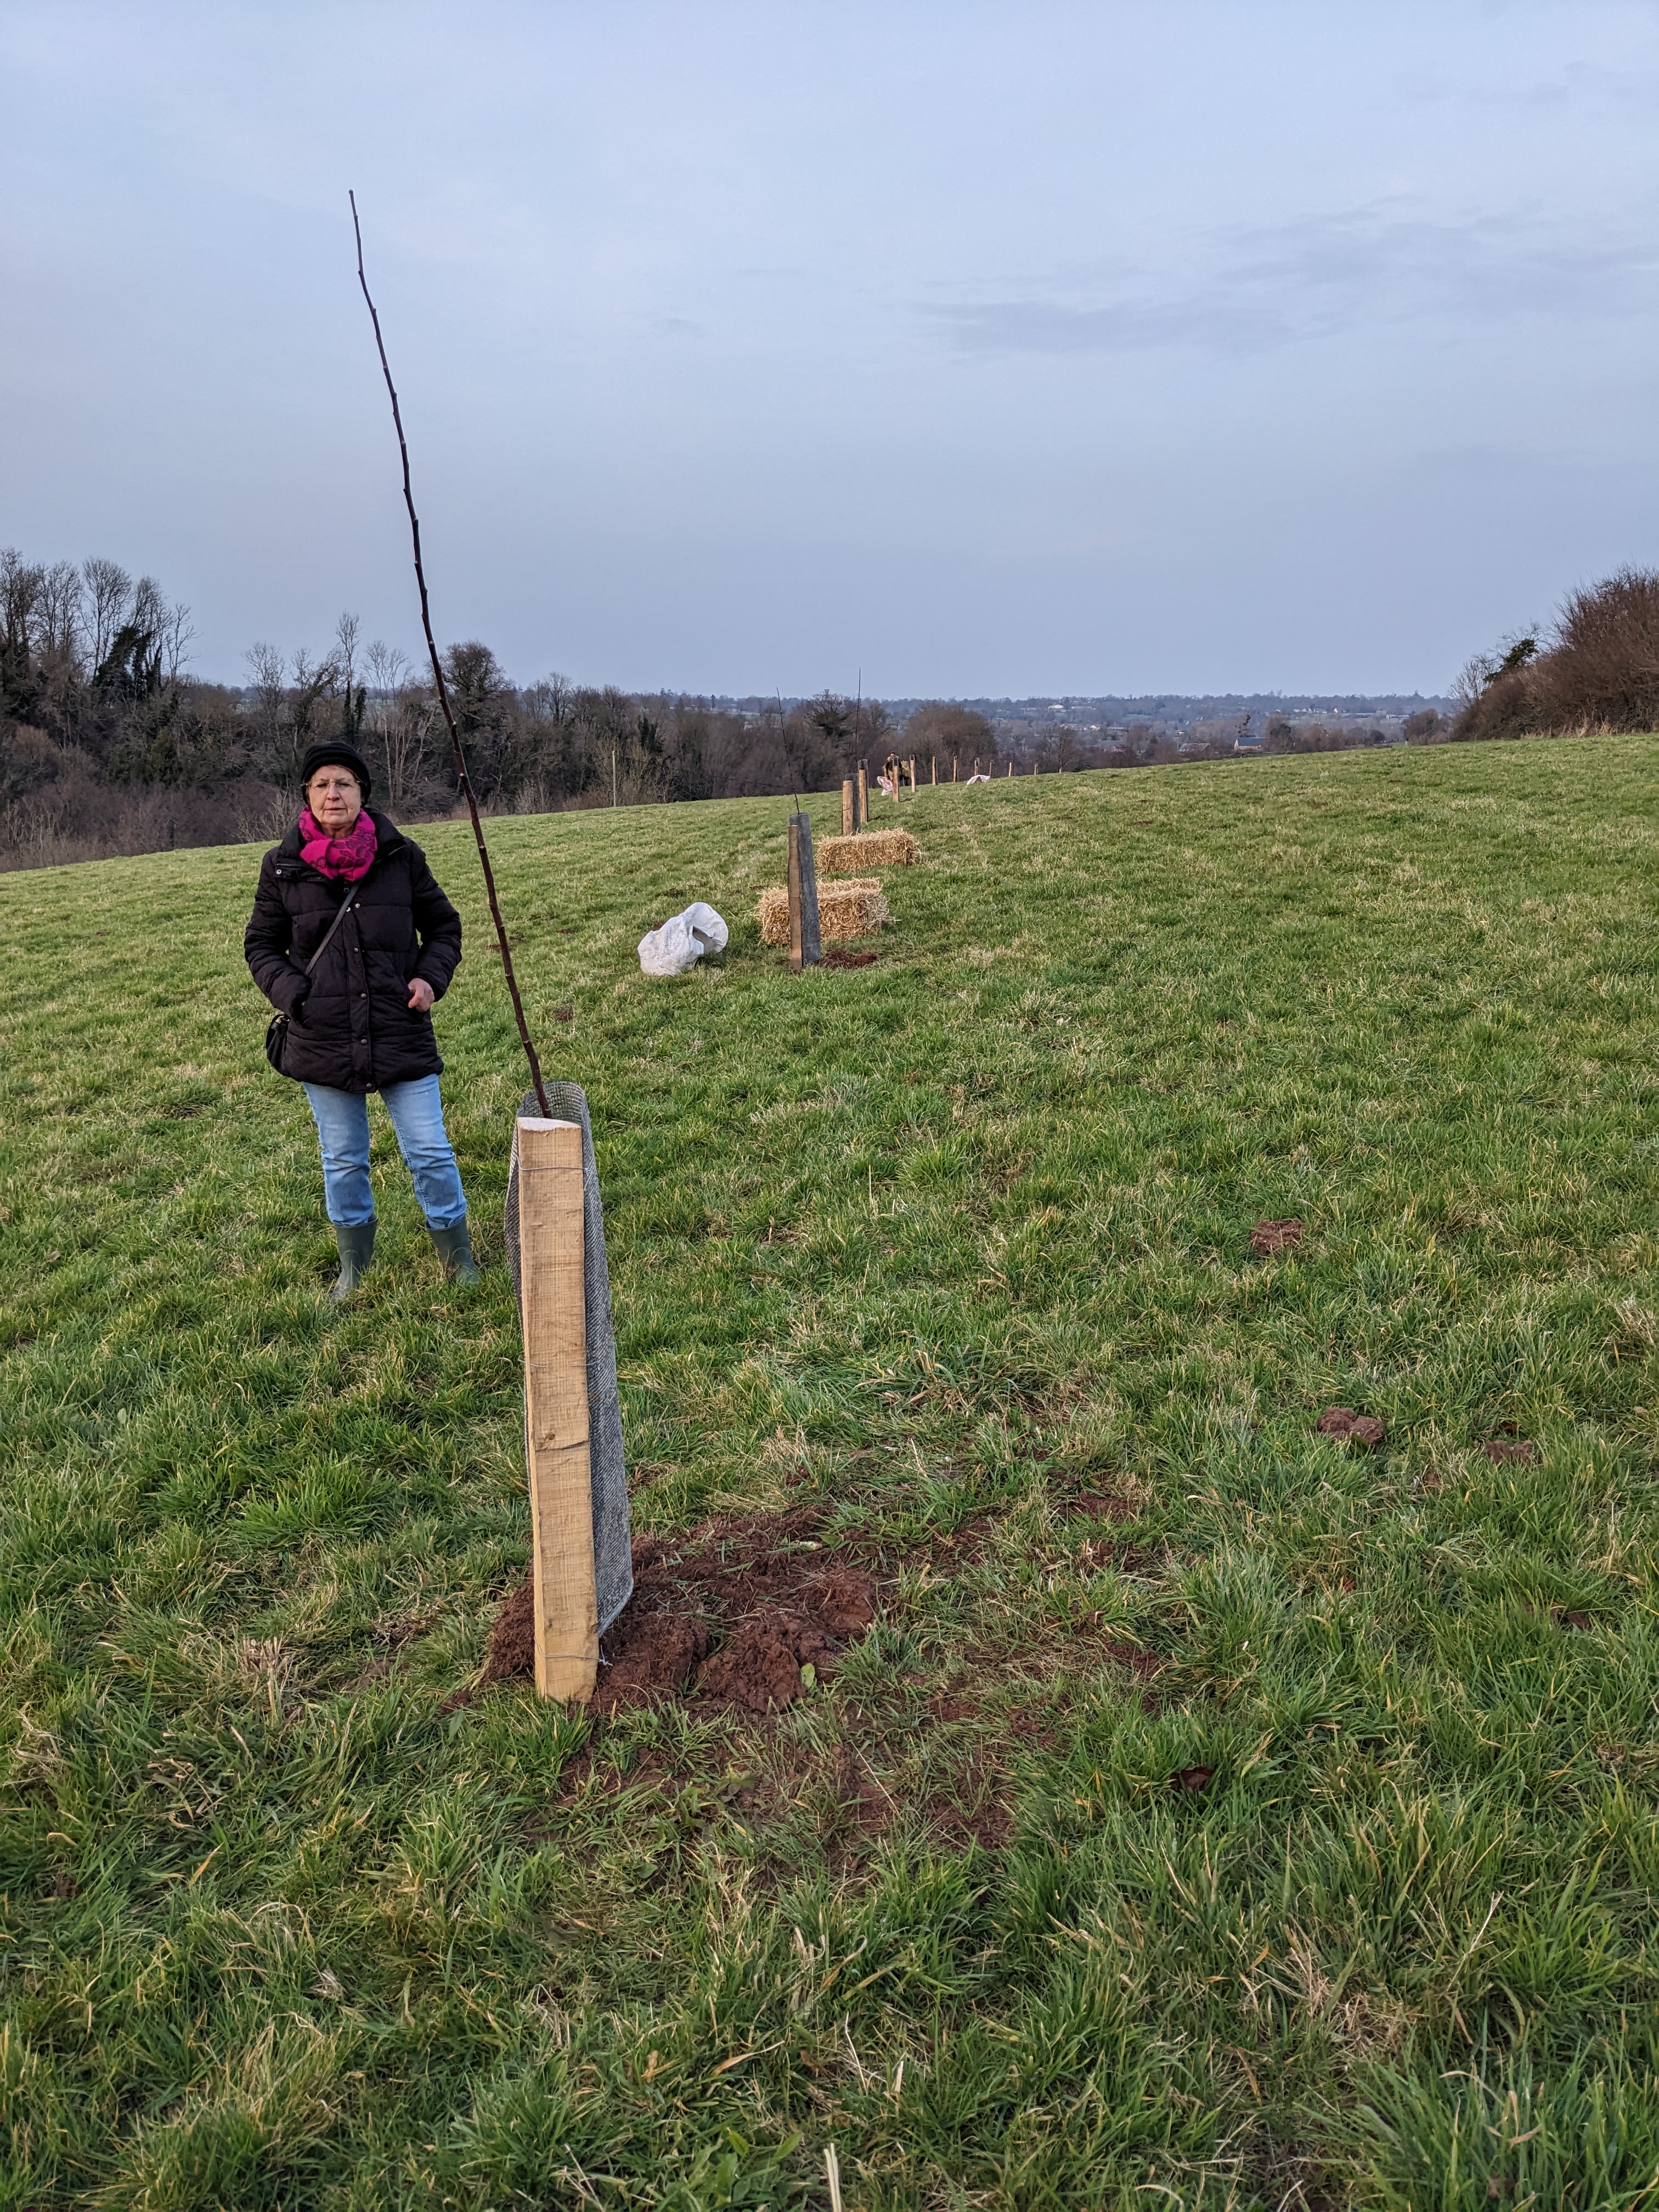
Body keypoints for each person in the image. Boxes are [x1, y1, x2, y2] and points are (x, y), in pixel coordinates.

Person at [245, 740, 479, 1299]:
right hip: (322, 1037)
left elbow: (444, 927)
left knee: (430, 1151)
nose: (334, 793)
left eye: (344, 783)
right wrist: (295, 995)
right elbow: (261, 947)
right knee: (344, 1160)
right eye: (322, 784)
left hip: (400, 1028)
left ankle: (459, 1260)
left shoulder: (401, 856)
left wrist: (429, 979)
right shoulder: (281, 867)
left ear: (362, 793)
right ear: (307, 795)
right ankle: (355, 1270)